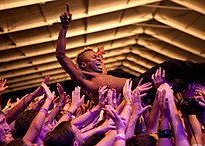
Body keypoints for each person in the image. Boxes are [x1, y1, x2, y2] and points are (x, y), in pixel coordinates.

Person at [56, 3, 205, 105]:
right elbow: (61, 56)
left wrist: (99, 55)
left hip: (140, 90)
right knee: (170, 66)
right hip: (135, 87)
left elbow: (102, 67)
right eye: (94, 57)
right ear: (83, 65)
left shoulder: (101, 76)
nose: (99, 59)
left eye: (99, 57)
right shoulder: (84, 78)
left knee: (185, 84)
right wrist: (64, 27)